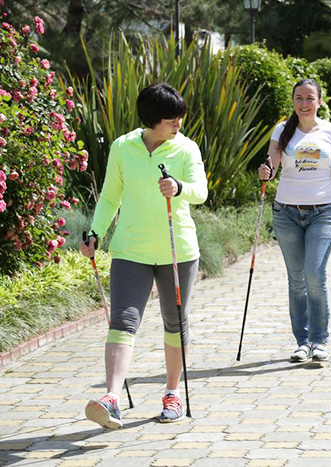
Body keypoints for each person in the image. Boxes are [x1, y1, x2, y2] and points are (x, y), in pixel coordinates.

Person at [80, 83, 208, 428]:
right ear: (152, 120)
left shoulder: (185, 148)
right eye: (171, 120)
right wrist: (95, 231)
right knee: (122, 320)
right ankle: (111, 398)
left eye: (180, 118)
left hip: (176, 249)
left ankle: (171, 393)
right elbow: (110, 197)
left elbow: (201, 191)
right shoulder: (124, 147)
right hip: (130, 249)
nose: (178, 124)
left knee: (174, 323)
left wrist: (179, 188)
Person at [258, 78, 331, 363]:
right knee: (297, 279)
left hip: (323, 212)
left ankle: (319, 340)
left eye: (310, 98)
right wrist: (266, 171)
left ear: (320, 101)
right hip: (286, 213)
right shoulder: (282, 131)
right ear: (293, 101)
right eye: (299, 98)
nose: (304, 103)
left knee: (315, 274)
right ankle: (302, 342)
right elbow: (272, 164)